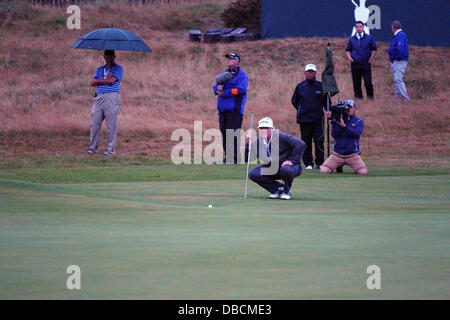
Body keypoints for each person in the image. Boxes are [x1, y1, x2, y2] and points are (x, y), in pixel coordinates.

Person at [246, 117, 306, 200]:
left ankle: (287, 191)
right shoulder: (258, 141)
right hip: (272, 168)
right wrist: (249, 143)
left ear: (272, 128)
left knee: (286, 170)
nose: (264, 130)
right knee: (254, 173)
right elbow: (248, 157)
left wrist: (292, 160)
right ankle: (278, 189)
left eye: (266, 128)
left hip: (291, 167)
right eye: (261, 128)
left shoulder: (281, 137)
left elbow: (300, 144)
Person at [86, 50, 124, 156]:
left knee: (111, 126)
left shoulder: (118, 68)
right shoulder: (100, 69)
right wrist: (105, 79)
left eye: (111, 56)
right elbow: (92, 82)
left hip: (111, 96)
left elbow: (111, 81)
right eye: (107, 55)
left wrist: (101, 80)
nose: (109, 58)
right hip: (99, 96)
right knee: (94, 124)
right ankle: (92, 149)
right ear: (104, 56)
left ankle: (110, 150)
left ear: (114, 56)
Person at [213, 53, 248, 164]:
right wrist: (216, 90)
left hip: (235, 109)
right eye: (228, 59)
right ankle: (228, 156)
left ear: (237, 61)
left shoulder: (241, 75)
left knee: (232, 134)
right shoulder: (225, 73)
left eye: (232, 59)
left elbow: (241, 89)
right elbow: (216, 85)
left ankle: (235, 158)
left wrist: (225, 93)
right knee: (224, 133)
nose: (229, 60)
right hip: (223, 109)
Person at [291, 63, 327, 170]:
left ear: (315, 73)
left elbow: (326, 101)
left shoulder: (321, 86)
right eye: (308, 72)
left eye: (312, 72)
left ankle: (320, 162)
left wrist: (328, 110)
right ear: (305, 73)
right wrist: (301, 109)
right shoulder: (300, 86)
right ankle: (308, 163)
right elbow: (294, 101)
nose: (310, 73)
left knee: (319, 140)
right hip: (304, 119)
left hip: (318, 119)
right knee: (306, 141)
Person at [321, 100, 368, 175]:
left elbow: (356, 133)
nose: (348, 109)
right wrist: (336, 122)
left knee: (363, 172)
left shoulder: (358, 121)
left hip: (352, 154)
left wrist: (344, 126)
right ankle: (338, 165)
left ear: (355, 109)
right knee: (324, 170)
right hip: (338, 154)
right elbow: (334, 135)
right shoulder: (338, 119)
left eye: (350, 107)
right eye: (346, 107)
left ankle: (343, 166)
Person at [346, 20, 377, 100]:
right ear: (355, 28)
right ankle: (359, 99)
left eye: (360, 26)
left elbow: (374, 49)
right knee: (356, 83)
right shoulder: (352, 39)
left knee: (368, 83)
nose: (359, 28)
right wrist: (349, 58)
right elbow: (348, 49)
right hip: (355, 64)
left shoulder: (369, 38)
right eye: (357, 27)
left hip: (366, 63)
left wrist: (370, 60)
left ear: (363, 27)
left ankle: (370, 99)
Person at [388, 20, 410, 102]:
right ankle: (399, 97)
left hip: (399, 60)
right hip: (397, 60)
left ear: (393, 28)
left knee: (398, 79)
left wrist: (396, 58)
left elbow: (400, 49)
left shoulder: (400, 35)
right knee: (396, 79)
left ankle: (405, 98)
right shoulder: (399, 35)